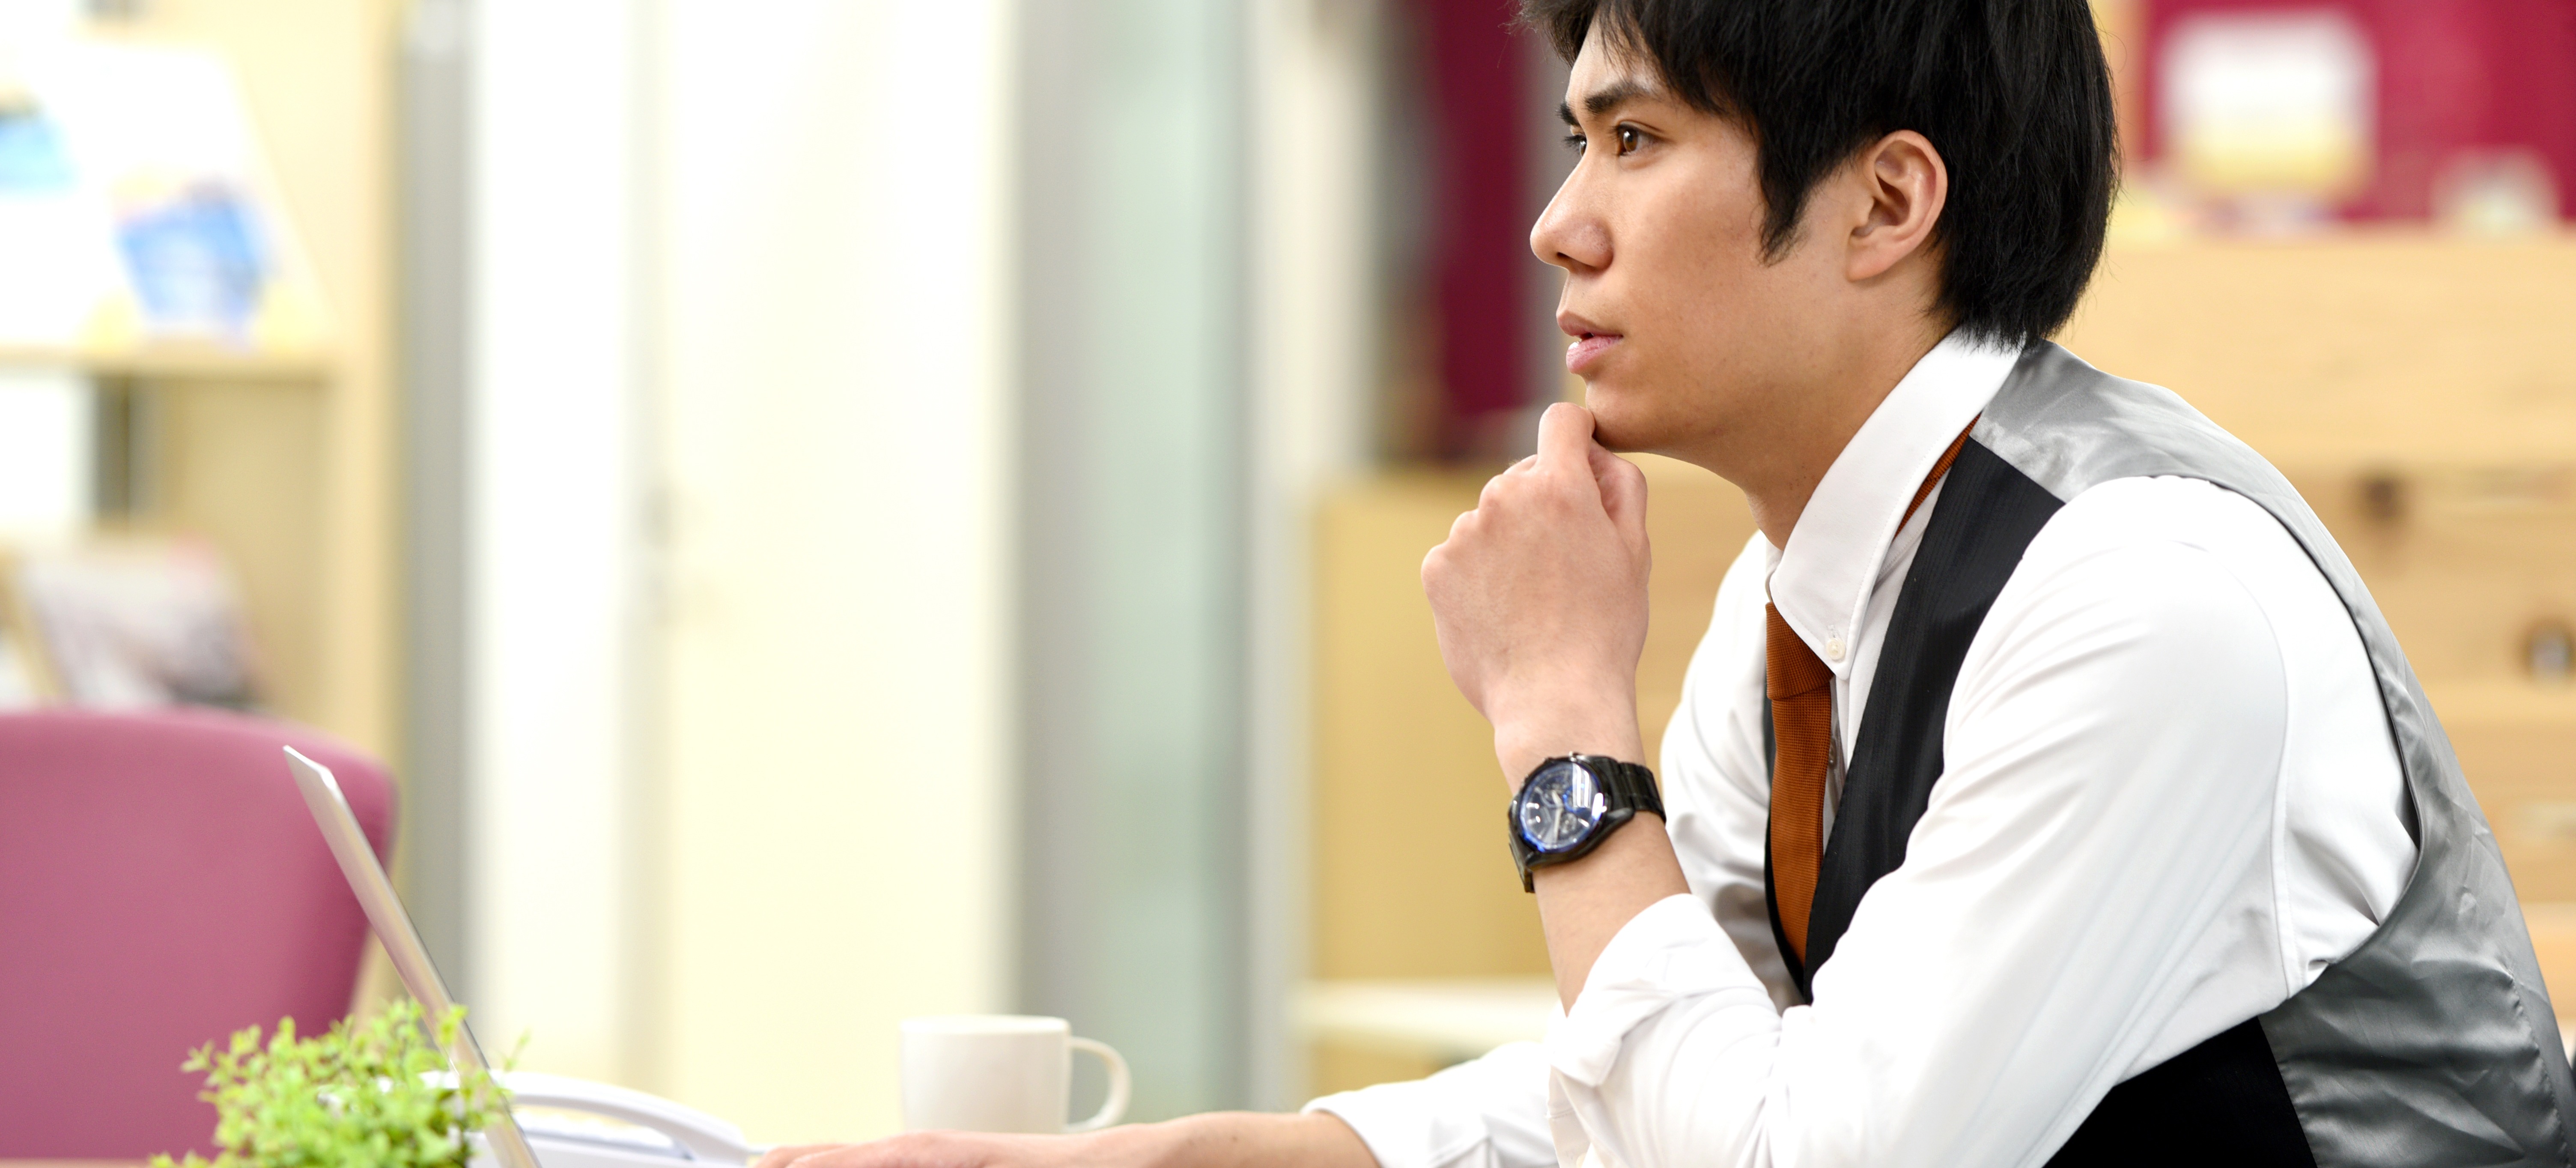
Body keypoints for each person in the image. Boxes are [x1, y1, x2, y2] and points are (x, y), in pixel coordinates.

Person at [761, 1, 2574, 1165]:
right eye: (1573, 141)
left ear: (1884, 205)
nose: (1559, 218)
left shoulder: (2139, 596)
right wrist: (1171, 1160)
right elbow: (1668, 1093)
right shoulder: (1804, 601)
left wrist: (1559, 722)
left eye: (1631, 141)